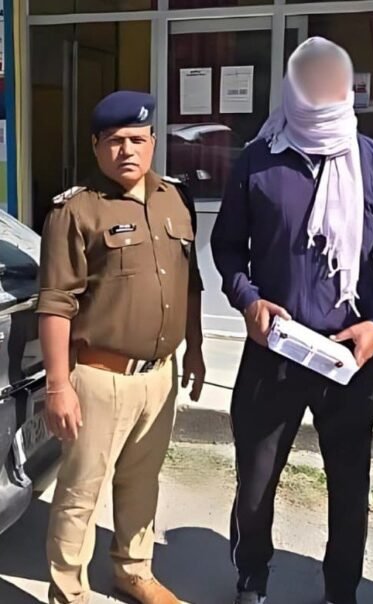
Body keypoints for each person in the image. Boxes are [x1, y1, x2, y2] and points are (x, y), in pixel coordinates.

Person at [211, 37, 373, 604]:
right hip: (273, 352)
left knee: (348, 488)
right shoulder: (259, 161)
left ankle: (340, 592)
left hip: (348, 357)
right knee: (255, 484)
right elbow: (227, 246)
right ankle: (251, 579)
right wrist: (248, 300)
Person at [39, 90, 207, 604]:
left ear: (153, 141)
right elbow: (56, 303)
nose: (126, 150)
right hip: (99, 377)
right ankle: (69, 591)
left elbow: (191, 284)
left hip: (159, 376)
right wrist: (58, 386)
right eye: (114, 140)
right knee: (80, 492)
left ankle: (133, 570)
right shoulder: (75, 211)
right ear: (96, 146)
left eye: (136, 138)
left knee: (142, 481)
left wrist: (196, 349)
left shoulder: (176, 199)